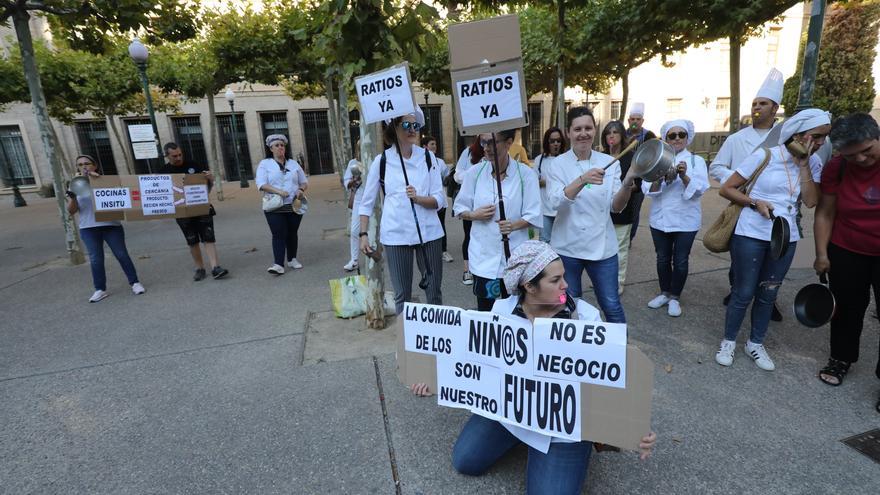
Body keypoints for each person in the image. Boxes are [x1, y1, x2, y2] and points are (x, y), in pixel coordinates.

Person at [412, 241, 656, 493]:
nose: (566, 285)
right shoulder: (502, 311)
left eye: (563, 277)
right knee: (465, 461)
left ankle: (572, 451)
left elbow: (609, 381)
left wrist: (632, 425)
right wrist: (438, 380)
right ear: (529, 286)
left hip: (562, 428)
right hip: (510, 411)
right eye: (555, 280)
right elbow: (474, 362)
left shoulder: (585, 318)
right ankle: (519, 438)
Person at [715, 108, 829, 371]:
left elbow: (811, 201)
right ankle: (729, 341)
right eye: (817, 136)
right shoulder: (766, 155)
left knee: (768, 293)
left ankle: (755, 343)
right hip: (750, 234)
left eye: (824, 137)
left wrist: (803, 167)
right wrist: (755, 202)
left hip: (785, 237)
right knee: (743, 292)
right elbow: (726, 188)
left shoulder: (813, 163)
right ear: (798, 135)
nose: (821, 142)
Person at [547, 106, 640, 324]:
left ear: (595, 130)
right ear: (568, 132)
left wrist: (627, 185)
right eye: (577, 128)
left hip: (603, 248)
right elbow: (553, 202)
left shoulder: (609, 162)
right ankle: (573, 353)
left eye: (588, 128)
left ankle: (620, 355)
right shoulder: (557, 164)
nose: (583, 133)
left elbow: (615, 207)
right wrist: (582, 180)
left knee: (611, 304)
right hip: (566, 248)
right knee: (567, 303)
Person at [813, 113, 880, 411]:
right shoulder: (837, 168)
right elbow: (825, 213)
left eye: (867, 150)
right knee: (846, 310)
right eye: (853, 156)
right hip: (847, 248)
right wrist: (821, 253)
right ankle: (841, 358)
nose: (862, 159)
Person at [710, 68, 785, 322]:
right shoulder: (736, 139)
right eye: (754, 103)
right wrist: (737, 180)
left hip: (775, 208)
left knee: (774, 255)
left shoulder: (784, 139)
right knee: (740, 255)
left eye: (763, 104)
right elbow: (716, 167)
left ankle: (768, 300)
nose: (757, 107)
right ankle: (737, 291)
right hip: (744, 205)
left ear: (774, 109)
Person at [359, 108, 445, 314]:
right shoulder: (382, 161)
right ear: (394, 128)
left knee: (434, 293)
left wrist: (419, 199)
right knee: (402, 296)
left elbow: (440, 199)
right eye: (406, 125)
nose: (412, 129)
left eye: (416, 125)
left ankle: (436, 341)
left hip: (429, 233)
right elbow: (367, 201)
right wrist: (362, 234)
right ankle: (406, 344)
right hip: (396, 235)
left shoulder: (428, 158)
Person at [453, 129, 542, 310]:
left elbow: (534, 215)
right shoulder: (474, 174)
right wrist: (474, 215)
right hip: (484, 261)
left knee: (516, 312)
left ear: (509, 143)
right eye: (483, 142)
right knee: (487, 313)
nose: (487, 148)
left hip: (515, 260)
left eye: (493, 143)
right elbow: (459, 208)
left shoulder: (526, 175)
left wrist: (514, 225)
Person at [642, 120, 709, 317]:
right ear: (665, 138)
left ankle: (675, 297)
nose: (677, 138)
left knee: (680, 260)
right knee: (662, 258)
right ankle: (664, 292)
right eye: (672, 135)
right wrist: (661, 177)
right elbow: (648, 190)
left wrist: (684, 176)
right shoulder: (656, 159)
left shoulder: (697, 161)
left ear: (688, 138)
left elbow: (700, 191)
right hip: (660, 219)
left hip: (686, 221)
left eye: (681, 134)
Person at [66, 155, 145, 302]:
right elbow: (71, 211)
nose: (84, 167)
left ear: (94, 166)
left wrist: (99, 181)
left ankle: (135, 283)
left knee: (121, 254)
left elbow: (120, 199)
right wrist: (73, 197)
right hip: (88, 227)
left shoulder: (106, 181)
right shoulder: (74, 185)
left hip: (111, 225)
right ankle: (100, 289)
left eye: (87, 164)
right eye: (80, 165)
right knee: (96, 259)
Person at [158, 143, 228, 281]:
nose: (178, 158)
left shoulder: (194, 165)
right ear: (167, 156)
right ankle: (200, 268)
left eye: (180, 154)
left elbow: (206, 188)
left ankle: (215, 267)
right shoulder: (163, 172)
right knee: (192, 240)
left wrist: (211, 179)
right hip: (181, 211)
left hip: (201, 207)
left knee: (208, 237)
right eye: (174, 156)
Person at [256, 134, 308, 275]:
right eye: (277, 146)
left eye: (282, 145)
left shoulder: (293, 164)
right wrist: (278, 191)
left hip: (294, 204)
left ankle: (292, 259)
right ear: (271, 148)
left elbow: (304, 181)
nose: (280, 148)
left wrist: (301, 189)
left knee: (292, 233)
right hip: (274, 205)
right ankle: (278, 264)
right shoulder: (265, 164)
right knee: (278, 234)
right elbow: (261, 184)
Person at [602, 121, 640, 294]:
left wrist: (621, 187)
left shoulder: (631, 157)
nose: (611, 135)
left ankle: (618, 283)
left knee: (620, 251)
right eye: (608, 132)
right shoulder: (600, 156)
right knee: (604, 251)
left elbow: (636, 184)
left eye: (615, 132)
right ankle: (603, 280)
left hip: (622, 213)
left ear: (622, 136)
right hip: (602, 213)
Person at [454, 139, 485, 286]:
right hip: (471, 203)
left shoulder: (500, 150)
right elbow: (457, 175)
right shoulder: (468, 152)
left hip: (490, 203)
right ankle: (467, 270)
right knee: (469, 235)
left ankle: (483, 269)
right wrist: (474, 172)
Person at [625, 102, 656, 243]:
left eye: (638, 119)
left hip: (640, 178)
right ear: (629, 120)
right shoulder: (623, 135)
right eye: (633, 119)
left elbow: (654, 154)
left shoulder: (649, 135)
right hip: (624, 175)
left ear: (642, 121)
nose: (635, 122)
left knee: (635, 208)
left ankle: (630, 238)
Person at [422, 135, 454, 263]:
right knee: (426, 224)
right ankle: (426, 251)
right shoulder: (420, 161)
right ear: (425, 146)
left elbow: (446, 177)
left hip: (439, 201)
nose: (434, 146)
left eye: (435, 144)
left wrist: (449, 177)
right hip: (424, 200)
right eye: (432, 144)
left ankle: (443, 251)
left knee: (441, 225)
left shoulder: (440, 162)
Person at [536, 127, 567, 243]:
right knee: (545, 243)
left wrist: (548, 182)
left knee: (563, 243)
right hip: (545, 210)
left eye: (558, 141)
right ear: (547, 142)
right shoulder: (539, 160)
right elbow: (534, 183)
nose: (555, 144)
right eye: (552, 141)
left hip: (563, 210)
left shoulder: (567, 159)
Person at [343, 147, 363, 272]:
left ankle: (378, 255)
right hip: (359, 199)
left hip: (376, 199)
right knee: (355, 230)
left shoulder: (376, 159)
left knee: (378, 229)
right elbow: (346, 182)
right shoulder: (353, 163)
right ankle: (354, 260)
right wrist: (354, 181)